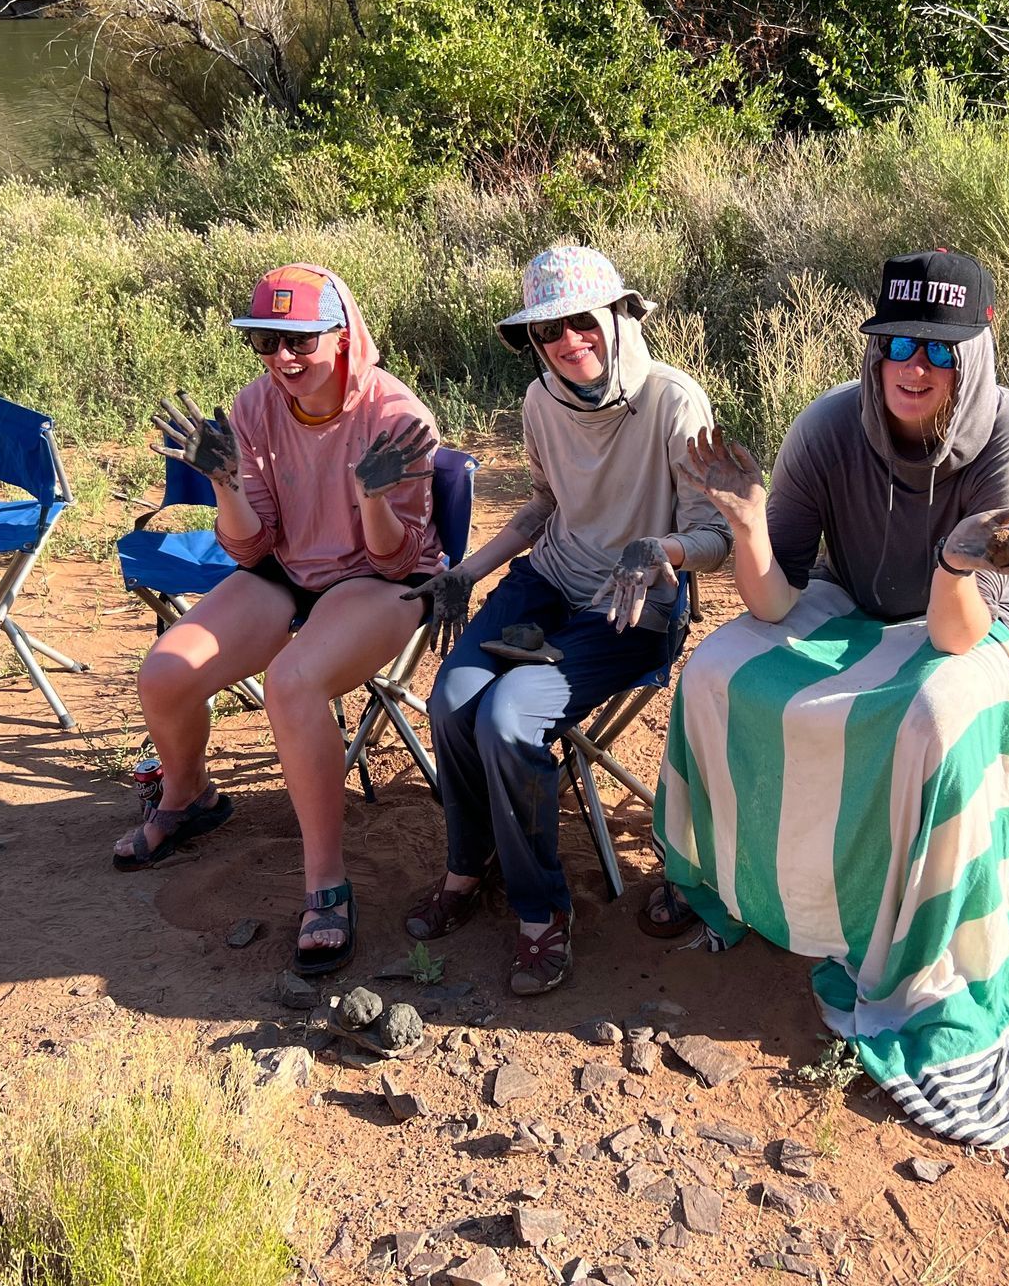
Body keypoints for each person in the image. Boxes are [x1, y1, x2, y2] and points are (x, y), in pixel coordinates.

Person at [651, 250, 1009, 1154]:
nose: (913, 365)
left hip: (980, 618)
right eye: (897, 341)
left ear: (974, 351)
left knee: (934, 718)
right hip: (855, 601)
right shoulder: (827, 426)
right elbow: (774, 601)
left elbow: (955, 638)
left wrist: (956, 561)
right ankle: (727, 881)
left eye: (937, 349)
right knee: (712, 672)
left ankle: (915, 932)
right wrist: (745, 527)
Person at [402, 245, 731, 996]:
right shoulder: (541, 400)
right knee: (452, 700)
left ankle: (541, 909)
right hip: (551, 578)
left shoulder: (674, 402)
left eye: (581, 322)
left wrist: (661, 548)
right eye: (547, 332)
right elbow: (548, 506)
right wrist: (467, 572)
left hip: (633, 602)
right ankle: (469, 861)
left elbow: (715, 538)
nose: (566, 342)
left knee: (510, 720)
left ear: (618, 318)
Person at [113, 263, 441, 982]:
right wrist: (224, 483)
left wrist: (375, 498)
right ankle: (188, 795)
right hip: (288, 566)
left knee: (292, 682)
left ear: (344, 335)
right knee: (165, 673)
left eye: (298, 340)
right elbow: (251, 546)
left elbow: (397, 561)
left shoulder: (396, 417)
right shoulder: (256, 406)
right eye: (264, 340)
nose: (281, 358)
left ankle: (325, 880)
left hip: (381, 579)